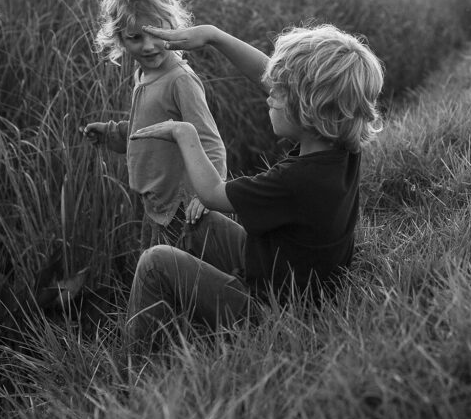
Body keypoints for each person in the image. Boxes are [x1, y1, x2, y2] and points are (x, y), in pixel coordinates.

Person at [124, 22, 384, 350]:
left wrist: (184, 133)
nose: (269, 94)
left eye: (279, 91)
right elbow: (270, 75)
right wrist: (214, 36)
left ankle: (138, 366)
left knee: (155, 262)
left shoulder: (296, 181)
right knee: (201, 222)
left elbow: (212, 193)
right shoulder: (341, 149)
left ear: (309, 109)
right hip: (286, 278)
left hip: (271, 315)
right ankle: (188, 318)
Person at [83, 0, 227, 250]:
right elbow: (150, 129)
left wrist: (208, 195)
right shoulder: (145, 74)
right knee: (160, 268)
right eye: (135, 38)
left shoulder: (180, 81)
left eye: (156, 32)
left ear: (172, 26)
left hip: (183, 207)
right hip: (157, 202)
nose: (148, 46)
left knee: (178, 277)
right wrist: (113, 134)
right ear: (120, 39)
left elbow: (210, 141)